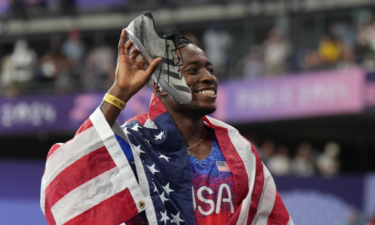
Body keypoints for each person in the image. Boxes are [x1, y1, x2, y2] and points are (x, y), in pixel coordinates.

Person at [41, 29, 293, 225]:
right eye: (193, 70)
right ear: (161, 87)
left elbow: (269, 217)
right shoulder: (134, 143)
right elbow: (72, 173)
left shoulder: (238, 149)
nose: (209, 77)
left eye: (210, 69)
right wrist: (120, 92)